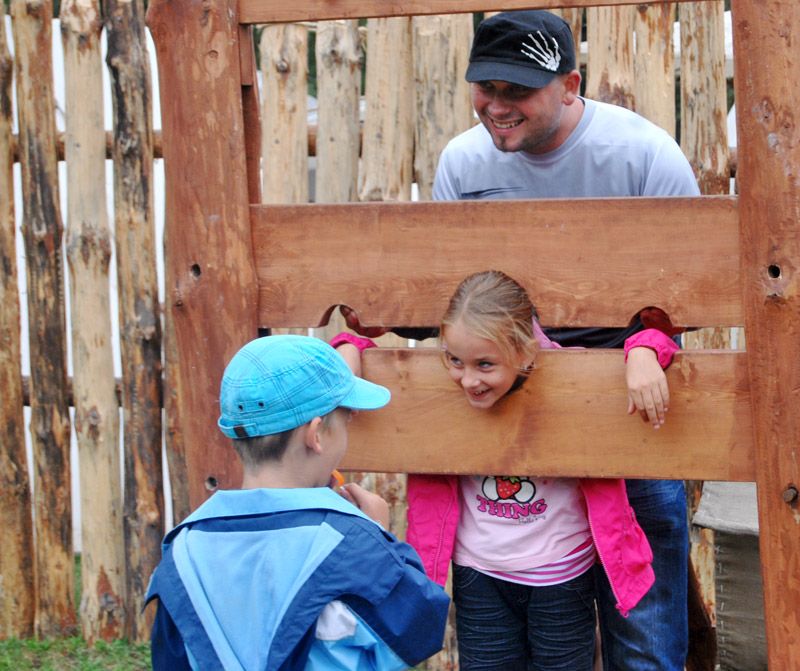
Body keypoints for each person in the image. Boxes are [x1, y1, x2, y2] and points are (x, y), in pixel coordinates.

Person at [431, 10, 700, 670]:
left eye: (516, 90)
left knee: (643, 626)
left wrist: (644, 342)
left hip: (622, 400)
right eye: (485, 87)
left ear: (571, 84)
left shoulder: (641, 155)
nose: (496, 106)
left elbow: (687, 289)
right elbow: (437, 292)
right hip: (511, 408)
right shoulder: (462, 165)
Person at [333, 270, 679, 671]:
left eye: (485, 364)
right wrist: (349, 345)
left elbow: (656, 337)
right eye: (454, 360)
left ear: (528, 354)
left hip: (563, 578)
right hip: (480, 577)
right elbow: (365, 358)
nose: (468, 380)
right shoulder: (445, 389)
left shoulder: (571, 376)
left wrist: (644, 351)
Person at [145, 334, 450, 671]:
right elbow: (419, 628)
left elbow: (171, 658)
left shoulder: (182, 549)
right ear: (316, 435)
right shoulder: (354, 543)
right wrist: (379, 535)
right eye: (346, 420)